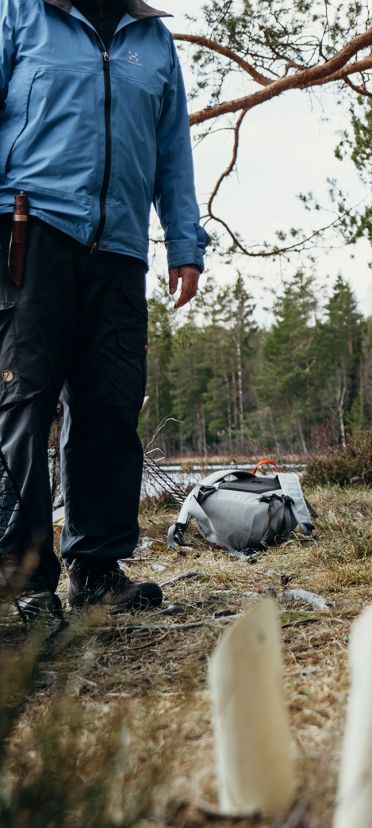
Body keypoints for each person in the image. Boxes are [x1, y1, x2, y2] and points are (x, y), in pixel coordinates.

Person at [0, 0, 207, 620]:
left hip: (119, 247)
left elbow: (173, 149)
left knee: (110, 407)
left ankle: (96, 568)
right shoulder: (20, 14)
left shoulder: (154, 40)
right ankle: (22, 580)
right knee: (23, 401)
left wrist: (184, 242)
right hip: (28, 231)